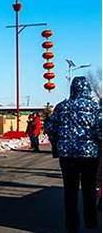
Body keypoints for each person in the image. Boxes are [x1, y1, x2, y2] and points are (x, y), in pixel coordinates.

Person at [45, 76, 101, 232]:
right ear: (87, 89)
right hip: (90, 156)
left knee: (70, 191)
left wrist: (58, 142)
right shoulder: (95, 108)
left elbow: (50, 128)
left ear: (72, 89)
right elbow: (100, 131)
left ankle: (71, 224)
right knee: (89, 189)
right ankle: (91, 222)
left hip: (67, 156)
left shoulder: (61, 107)